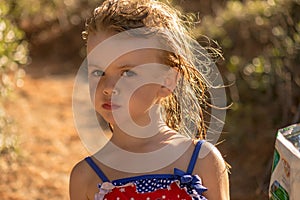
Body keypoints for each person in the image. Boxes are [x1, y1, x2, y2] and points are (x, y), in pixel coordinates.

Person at [69, 0, 230, 199]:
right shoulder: (85, 176)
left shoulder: (201, 159)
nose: (108, 88)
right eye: (98, 71)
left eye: (127, 73)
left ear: (167, 81)